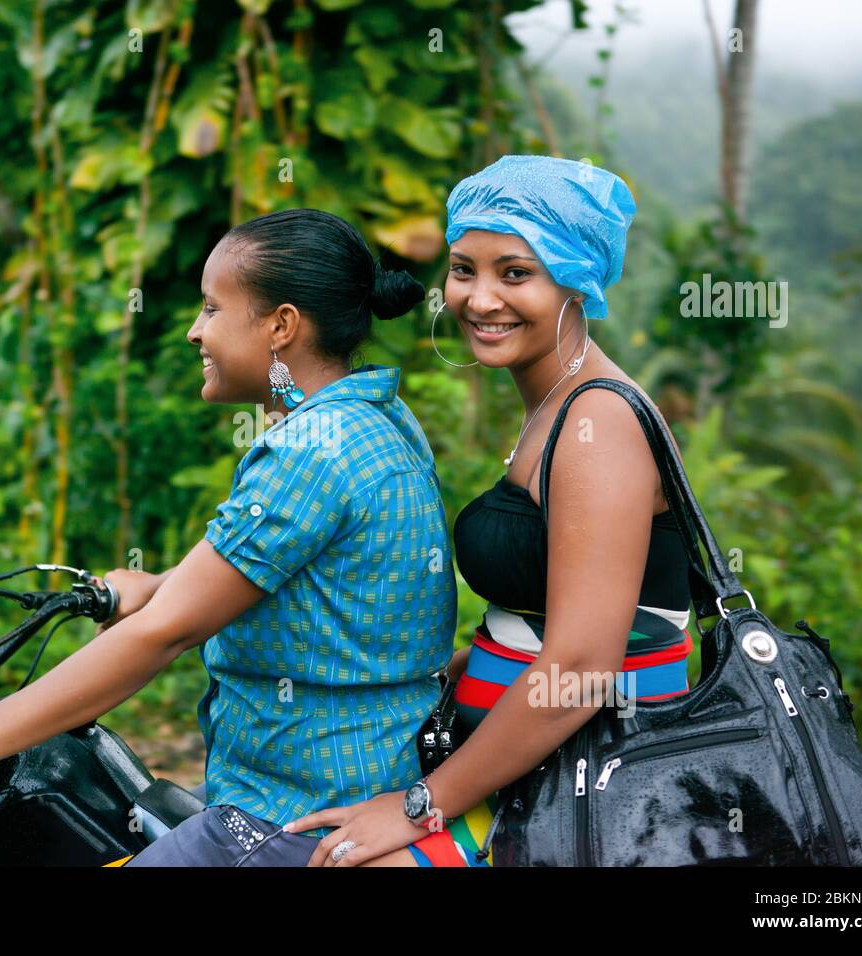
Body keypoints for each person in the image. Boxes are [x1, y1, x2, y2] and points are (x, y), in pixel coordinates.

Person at [0, 207, 458, 866]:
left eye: (212, 309)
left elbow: (165, 635)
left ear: (282, 325)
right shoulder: (376, 415)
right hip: (365, 774)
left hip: (292, 815)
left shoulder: (307, 453)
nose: (193, 331)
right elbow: (260, 563)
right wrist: (155, 586)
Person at [284, 155, 696, 866]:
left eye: (514, 273)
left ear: (577, 278)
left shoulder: (599, 424)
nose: (478, 299)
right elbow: (547, 617)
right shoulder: (556, 402)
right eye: (463, 269)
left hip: (587, 787)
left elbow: (586, 667)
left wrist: (420, 807)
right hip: (524, 766)